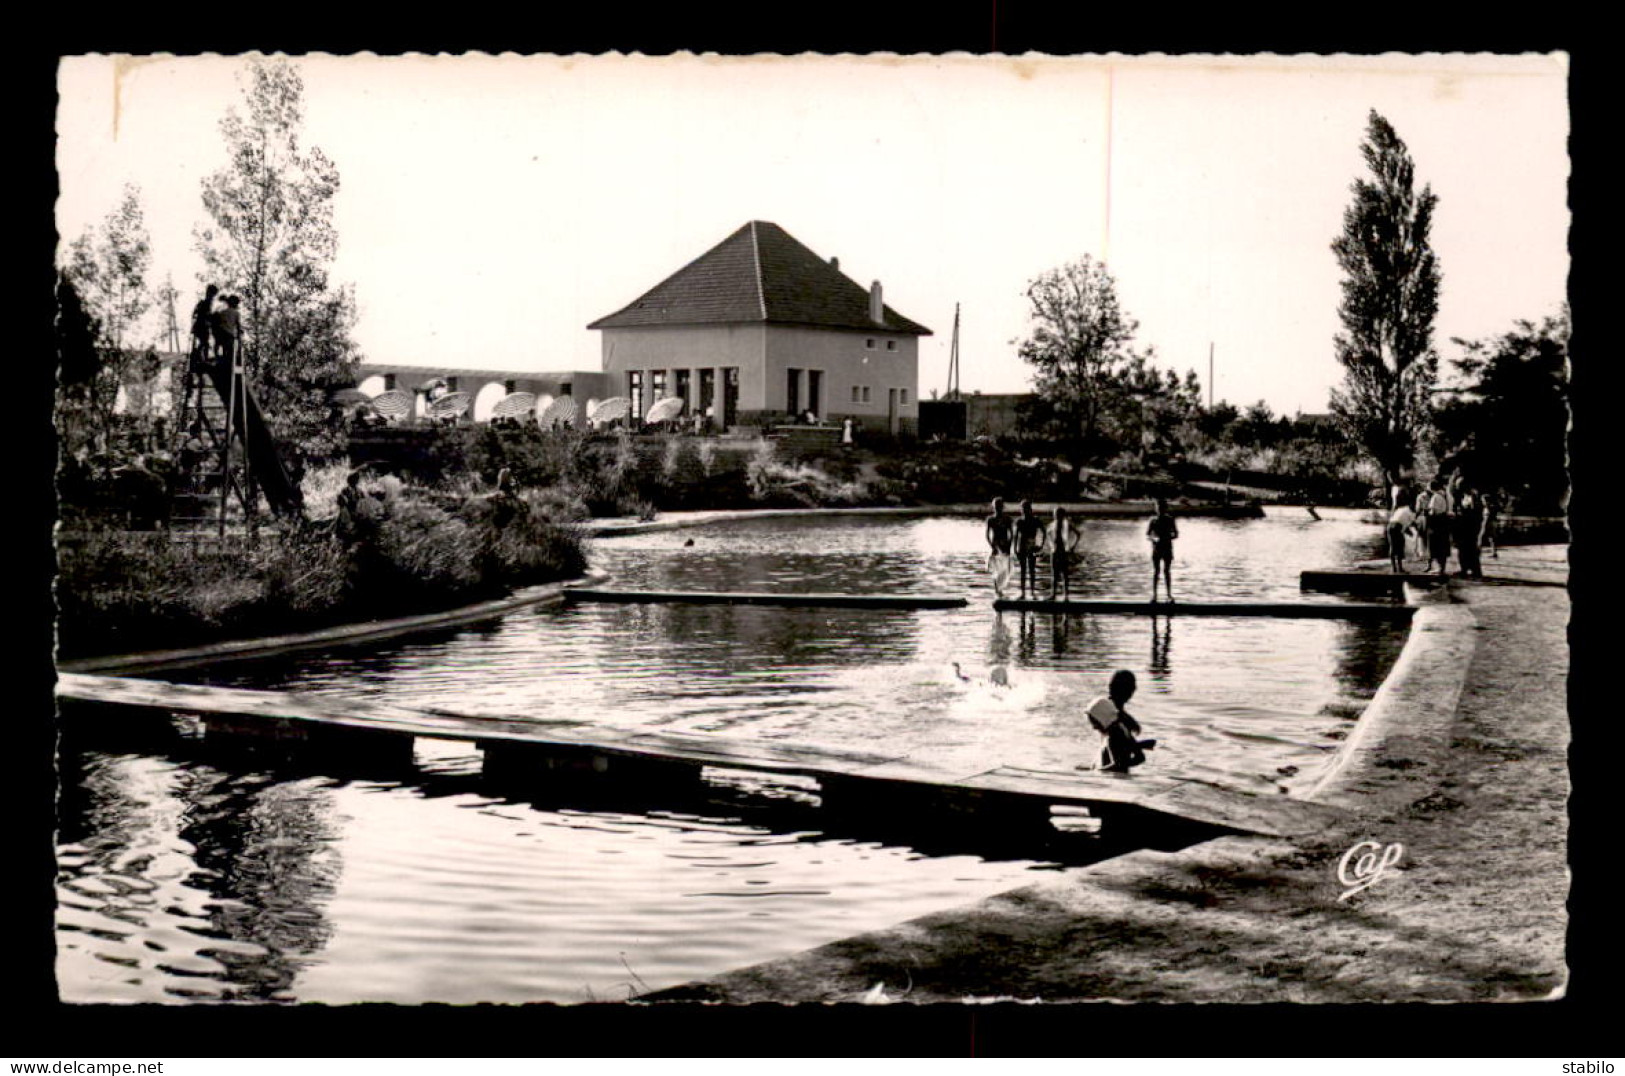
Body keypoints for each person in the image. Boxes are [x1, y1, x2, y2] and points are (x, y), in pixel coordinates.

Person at [1083, 670, 1154, 774]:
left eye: (1095, 723)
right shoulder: (1119, 722)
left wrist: (1096, 771)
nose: (1094, 728)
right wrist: (1138, 746)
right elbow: (1137, 757)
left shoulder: (1116, 725)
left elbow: (1130, 758)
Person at [1147, 498, 1179, 603]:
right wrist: (1154, 539)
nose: (1159, 510)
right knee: (1156, 572)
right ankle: (1154, 595)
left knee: (1166, 571)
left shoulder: (1170, 520)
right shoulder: (1153, 520)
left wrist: (1168, 537)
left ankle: (1169, 595)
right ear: (1156, 509)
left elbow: (1176, 534)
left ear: (1165, 509)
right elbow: (1148, 534)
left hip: (1167, 548)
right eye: (1158, 508)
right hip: (1156, 549)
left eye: (1161, 508)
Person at [1013, 499, 1045, 600]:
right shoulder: (1019, 521)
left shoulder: (1036, 520)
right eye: (1023, 508)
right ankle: (1022, 593)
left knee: (1031, 570)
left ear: (1030, 509)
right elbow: (1015, 536)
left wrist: (1041, 545)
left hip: (1031, 547)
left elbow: (1044, 532)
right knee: (1023, 570)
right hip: (1021, 546)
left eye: (1027, 508)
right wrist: (1014, 549)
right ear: (1021, 510)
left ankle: (1032, 593)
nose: (1025, 510)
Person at [985, 497, 1015, 599]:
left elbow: (1011, 534)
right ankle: (997, 590)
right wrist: (992, 546)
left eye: (1000, 506)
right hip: (995, 545)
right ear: (994, 507)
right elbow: (987, 535)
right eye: (996, 506)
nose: (998, 508)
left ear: (1002, 507)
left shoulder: (1007, 519)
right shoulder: (991, 519)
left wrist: (1009, 545)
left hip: (1005, 545)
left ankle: (1001, 589)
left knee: (1005, 568)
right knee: (995, 569)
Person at [1453, 483, 1484, 580]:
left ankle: (1475, 571)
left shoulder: (1473, 497)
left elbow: (1476, 513)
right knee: (1463, 550)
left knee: (1470, 550)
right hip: (1463, 527)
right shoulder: (1463, 497)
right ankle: (1465, 569)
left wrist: (1463, 513)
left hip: (1469, 528)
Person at [1424, 478, 1453, 578]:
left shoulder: (1435, 497)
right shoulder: (1444, 495)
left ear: (1431, 488)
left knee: (1436, 545)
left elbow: (1433, 511)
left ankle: (1440, 569)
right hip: (1443, 522)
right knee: (1443, 545)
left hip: (1437, 523)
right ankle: (1442, 568)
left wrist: (1427, 512)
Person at [1048, 505, 1078, 602]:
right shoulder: (1052, 524)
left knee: (1064, 574)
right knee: (1054, 574)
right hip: (1055, 551)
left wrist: (1073, 546)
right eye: (1055, 514)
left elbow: (1078, 534)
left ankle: (1066, 596)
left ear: (1062, 515)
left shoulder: (1067, 524)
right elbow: (1048, 534)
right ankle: (1053, 595)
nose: (1056, 516)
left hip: (1063, 551)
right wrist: (1050, 545)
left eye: (1058, 514)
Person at [189, 284, 218, 368]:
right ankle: (202, 359)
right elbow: (199, 314)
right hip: (202, 326)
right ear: (209, 293)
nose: (212, 297)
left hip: (202, 326)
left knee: (204, 343)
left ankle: (201, 358)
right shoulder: (206, 303)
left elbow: (195, 313)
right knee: (204, 343)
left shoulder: (203, 303)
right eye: (212, 294)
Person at [1387, 495, 1417, 574]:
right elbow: (1412, 524)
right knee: (1399, 546)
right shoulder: (1411, 513)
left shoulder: (1401, 509)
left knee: (1393, 546)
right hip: (1397, 527)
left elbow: (1402, 522)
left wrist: (1409, 532)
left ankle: (1394, 568)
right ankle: (1399, 568)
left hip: (1390, 526)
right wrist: (1413, 533)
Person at [211, 293, 242, 368]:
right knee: (228, 350)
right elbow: (238, 326)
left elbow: (217, 323)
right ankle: (225, 360)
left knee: (219, 345)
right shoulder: (236, 313)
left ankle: (217, 357)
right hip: (228, 335)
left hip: (221, 334)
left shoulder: (222, 312)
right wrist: (239, 338)